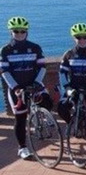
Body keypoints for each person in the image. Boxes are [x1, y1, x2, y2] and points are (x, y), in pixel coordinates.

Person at [0, 16, 53, 159]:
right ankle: (22, 148)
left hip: (34, 83)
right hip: (16, 88)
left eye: (22, 31)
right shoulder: (5, 50)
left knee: (48, 101)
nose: (19, 34)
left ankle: (41, 117)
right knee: (21, 118)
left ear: (27, 32)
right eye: (16, 31)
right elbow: (4, 71)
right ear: (11, 32)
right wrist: (16, 88)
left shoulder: (35, 47)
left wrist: (36, 83)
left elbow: (42, 67)